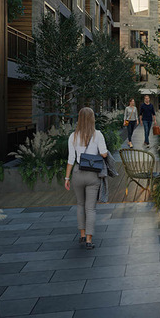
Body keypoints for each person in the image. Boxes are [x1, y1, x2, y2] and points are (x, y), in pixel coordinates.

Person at [64, 107, 108, 250]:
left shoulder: (73, 136)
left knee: (80, 205)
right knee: (91, 208)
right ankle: (89, 240)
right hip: (92, 174)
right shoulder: (98, 135)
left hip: (77, 172)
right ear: (92, 119)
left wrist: (66, 178)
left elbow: (71, 159)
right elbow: (104, 154)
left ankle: (82, 235)